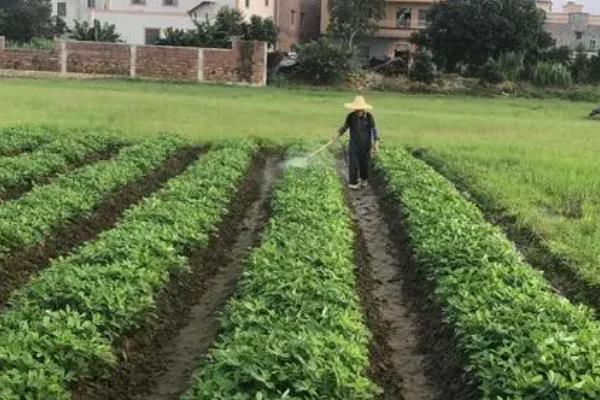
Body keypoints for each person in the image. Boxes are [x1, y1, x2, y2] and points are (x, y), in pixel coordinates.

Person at [338, 95, 380, 189]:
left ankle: (364, 180)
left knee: (364, 163)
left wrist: (376, 142)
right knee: (353, 163)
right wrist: (340, 132)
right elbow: (346, 126)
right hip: (354, 144)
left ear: (363, 109)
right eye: (356, 109)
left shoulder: (369, 117)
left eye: (359, 109)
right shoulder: (351, 116)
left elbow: (374, 129)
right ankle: (353, 182)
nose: (357, 111)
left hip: (365, 145)